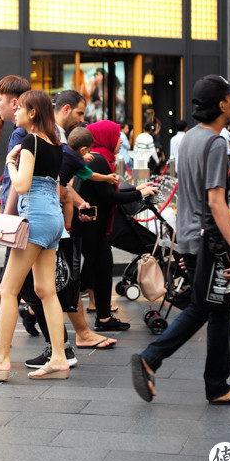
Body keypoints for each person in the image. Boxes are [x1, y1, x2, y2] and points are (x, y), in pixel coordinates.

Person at [131, 74, 230, 406]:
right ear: (221, 104)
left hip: (188, 238)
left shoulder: (188, 139)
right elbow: (216, 201)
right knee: (212, 309)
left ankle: (167, 364)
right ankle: (211, 383)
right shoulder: (216, 143)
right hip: (210, 239)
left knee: (211, 307)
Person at [0, 91, 69, 381]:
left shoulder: (30, 141)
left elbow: (23, 185)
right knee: (45, 290)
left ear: (33, 113)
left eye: (21, 109)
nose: (16, 113)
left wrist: (11, 163)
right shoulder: (56, 143)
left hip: (36, 216)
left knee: (9, 289)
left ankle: (1, 359)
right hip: (53, 219)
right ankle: (60, 359)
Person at [75, 121, 159, 332]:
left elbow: (106, 192)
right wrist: (140, 193)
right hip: (91, 226)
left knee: (98, 270)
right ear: (106, 137)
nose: (121, 140)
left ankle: (103, 318)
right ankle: (102, 319)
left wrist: (137, 188)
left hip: (91, 226)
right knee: (101, 270)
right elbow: (109, 196)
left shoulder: (97, 158)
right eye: (117, 135)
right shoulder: (99, 160)